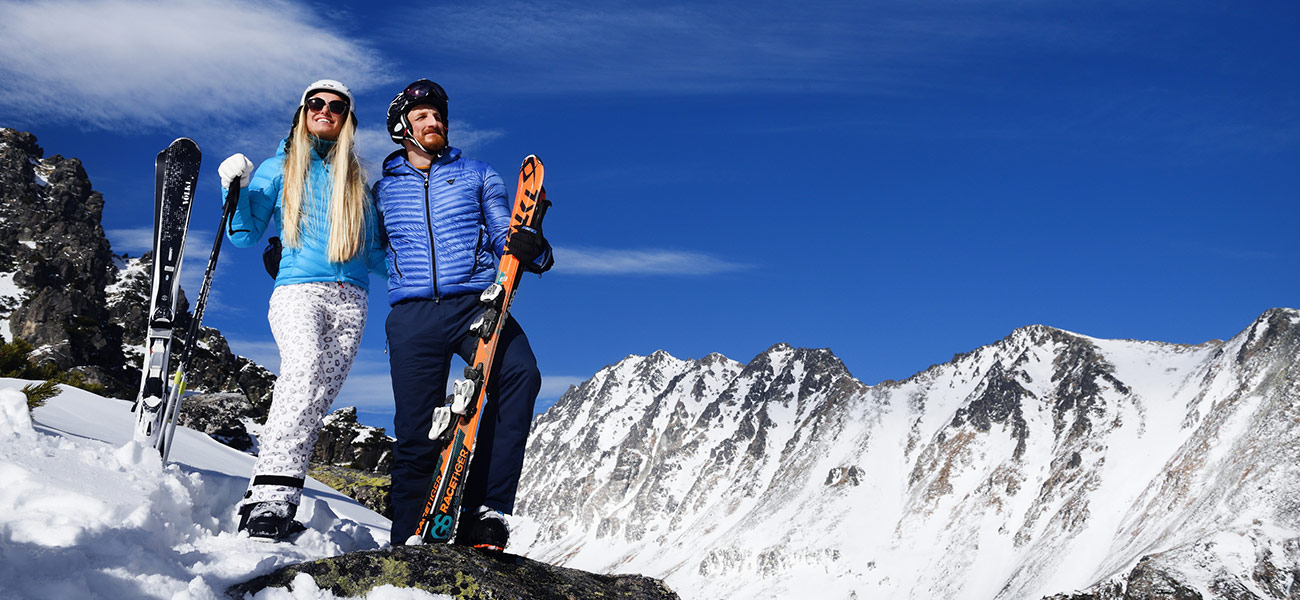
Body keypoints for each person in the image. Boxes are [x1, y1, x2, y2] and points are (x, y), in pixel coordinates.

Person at [374, 79, 553, 551]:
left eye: (439, 116)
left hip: (475, 304)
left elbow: (504, 228)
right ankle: (408, 539)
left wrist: (531, 247)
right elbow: (358, 248)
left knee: (521, 375)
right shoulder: (382, 190)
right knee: (415, 433)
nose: (434, 122)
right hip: (411, 315)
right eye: (423, 116)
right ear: (402, 126)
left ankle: (486, 512)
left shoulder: (476, 173)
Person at [217, 79, 387, 541]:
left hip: (352, 299)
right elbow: (244, 233)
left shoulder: (358, 180)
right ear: (303, 111)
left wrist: (441, 279)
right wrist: (236, 187)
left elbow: (375, 255)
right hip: (298, 291)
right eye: (317, 103)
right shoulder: (280, 167)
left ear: (347, 119)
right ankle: (269, 498)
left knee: (314, 400)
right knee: (302, 372)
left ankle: (278, 496)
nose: (326, 110)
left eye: (337, 106)